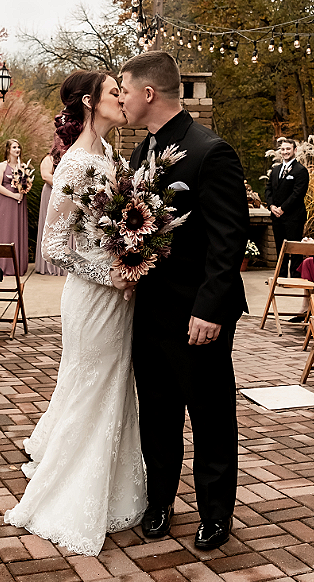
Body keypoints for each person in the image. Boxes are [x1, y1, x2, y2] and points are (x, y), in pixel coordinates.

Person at [4, 70, 146, 556]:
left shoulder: (110, 156)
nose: (121, 99)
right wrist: (111, 274)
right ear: (90, 101)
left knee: (113, 383)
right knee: (93, 383)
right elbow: (55, 246)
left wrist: (132, 257)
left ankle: (114, 489)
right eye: (113, 92)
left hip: (118, 294)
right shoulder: (75, 165)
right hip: (92, 297)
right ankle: (70, 494)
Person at [119, 51, 249, 551]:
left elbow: (227, 238)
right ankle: (159, 502)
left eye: (126, 90)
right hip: (149, 311)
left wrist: (210, 309)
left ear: (148, 93)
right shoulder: (138, 155)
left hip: (198, 315)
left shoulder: (210, 151)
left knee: (212, 415)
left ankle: (217, 513)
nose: (122, 99)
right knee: (157, 413)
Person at [265, 139, 309, 277]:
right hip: (277, 217)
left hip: (293, 217)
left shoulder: (301, 171)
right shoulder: (275, 170)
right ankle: (281, 275)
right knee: (280, 247)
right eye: (283, 149)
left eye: (288, 149)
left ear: (295, 150)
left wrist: (282, 208)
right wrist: (272, 206)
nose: (285, 152)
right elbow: (268, 190)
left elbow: (297, 194)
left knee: (294, 248)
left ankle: (295, 276)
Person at [34, 154, 75, 275]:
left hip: (69, 196)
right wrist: (66, 186)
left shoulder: (73, 156)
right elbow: (46, 176)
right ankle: (50, 265)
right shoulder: (49, 158)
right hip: (52, 193)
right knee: (52, 225)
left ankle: (67, 265)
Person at [0, 139, 29, 276]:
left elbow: (25, 183)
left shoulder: (23, 166)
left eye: (19, 147)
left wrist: (22, 191)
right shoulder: (2, 166)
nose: (17, 149)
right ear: (8, 149)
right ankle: (2, 266)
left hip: (20, 202)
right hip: (5, 201)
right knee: (6, 230)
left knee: (17, 230)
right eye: (14, 147)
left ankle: (18, 266)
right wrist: (13, 196)